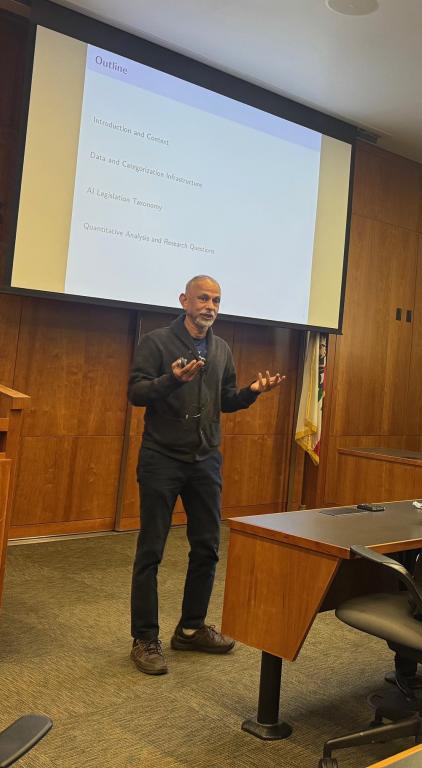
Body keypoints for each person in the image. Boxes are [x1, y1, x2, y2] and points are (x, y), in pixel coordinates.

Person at [128, 275, 286, 675]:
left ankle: (192, 628)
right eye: (202, 298)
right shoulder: (157, 342)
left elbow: (227, 400)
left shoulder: (222, 349)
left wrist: (252, 390)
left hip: (205, 461)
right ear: (184, 301)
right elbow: (136, 393)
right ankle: (145, 638)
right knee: (151, 550)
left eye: (216, 300)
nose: (210, 306)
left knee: (208, 547)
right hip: (161, 457)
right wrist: (172, 379)